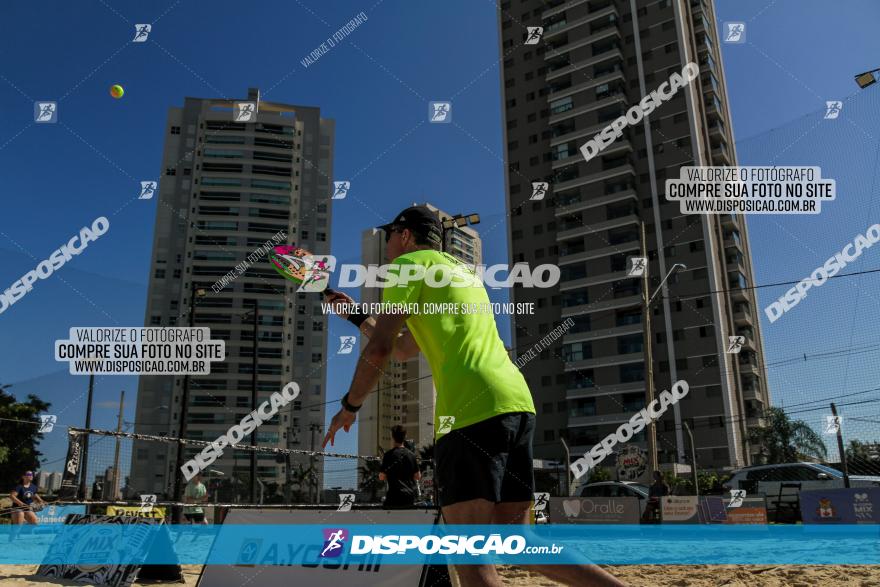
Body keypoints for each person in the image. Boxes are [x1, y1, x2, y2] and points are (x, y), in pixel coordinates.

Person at [323, 205, 626, 587]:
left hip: (471, 411)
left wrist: (350, 406)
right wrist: (355, 316)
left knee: (471, 555)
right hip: (515, 403)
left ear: (404, 235)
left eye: (389, 236)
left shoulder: (406, 265)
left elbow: (382, 349)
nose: (386, 245)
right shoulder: (462, 273)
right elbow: (404, 348)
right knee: (519, 543)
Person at [379, 425, 421, 508]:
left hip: (393, 496)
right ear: (405, 437)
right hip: (409, 496)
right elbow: (418, 476)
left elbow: (381, 477)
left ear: (392, 437)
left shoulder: (388, 455)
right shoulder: (412, 455)